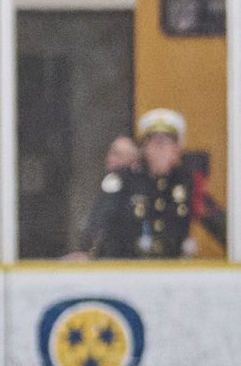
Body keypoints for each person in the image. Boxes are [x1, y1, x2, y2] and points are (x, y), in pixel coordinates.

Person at [79, 107, 226, 258]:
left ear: (177, 149)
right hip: (127, 265)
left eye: (167, 142)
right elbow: (98, 223)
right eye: (154, 142)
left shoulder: (188, 183)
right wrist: (86, 252)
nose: (160, 148)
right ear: (143, 149)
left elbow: (219, 223)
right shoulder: (124, 181)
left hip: (171, 266)